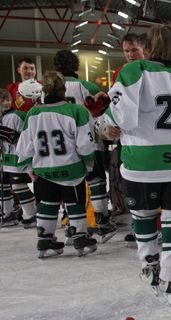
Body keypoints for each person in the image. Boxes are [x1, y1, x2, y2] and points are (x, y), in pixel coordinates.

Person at [104, 24, 171, 303]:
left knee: (143, 216)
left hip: (142, 161)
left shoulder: (134, 70)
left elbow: (120, 117)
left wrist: (108, 125)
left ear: (148, 46)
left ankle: (149, 265)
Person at [15, 71, 97, 257]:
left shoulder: (34, 113)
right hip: (71, 169)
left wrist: (28, 167)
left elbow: (24, 145)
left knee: (47, 204)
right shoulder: (76, 111)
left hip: (43, 170)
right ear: (64, 89)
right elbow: (85, 145)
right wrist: (88, 165)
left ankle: (45, 239)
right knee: (75, 203)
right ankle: (80, 237)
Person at [54, 49, 117, 242]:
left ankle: (74, 225)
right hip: (89, 141)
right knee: (96, 180)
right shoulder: (86, 85)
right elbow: (105, 109)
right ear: (76, 65)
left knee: (71, 184)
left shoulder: (49, 89)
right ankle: (102, 222)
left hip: (62, 146)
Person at [111, 33, 146, 245]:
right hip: (130, 140)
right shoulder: (120, 72)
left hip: (153, 139)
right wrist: (111, 124)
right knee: (135, 186)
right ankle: (139, 224)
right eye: (126, 51)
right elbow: (116, 105)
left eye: (134, 50)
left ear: (144, 49)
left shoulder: (153, 70)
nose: (130, 55)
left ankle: (160, 225)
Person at [0, 89, 37, 227]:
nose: (6, 103)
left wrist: (9, 134)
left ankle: (33, 214)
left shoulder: (17, 115)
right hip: (5, 158)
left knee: (18, 185)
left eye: (8, 99)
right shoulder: (2, 116)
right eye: (2, 100)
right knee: (2, 185)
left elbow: (24, 136)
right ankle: (9, 214)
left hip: (18, 156)